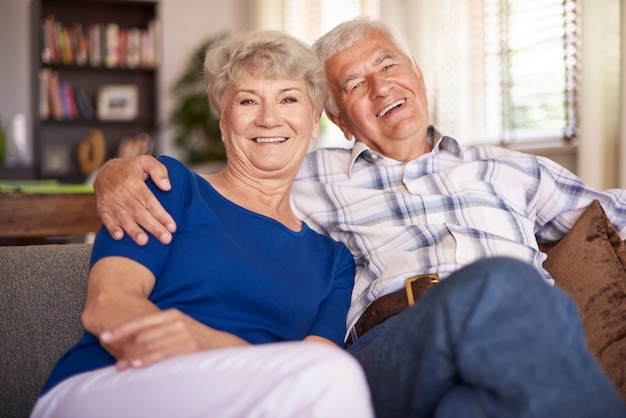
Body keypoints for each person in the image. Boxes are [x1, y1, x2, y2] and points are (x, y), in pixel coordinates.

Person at [92, 18, 626, 417]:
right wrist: (114, 172)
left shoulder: (510, 169)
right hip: (393, 346)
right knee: (504, 283)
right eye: (353, 84)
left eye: (388, 65)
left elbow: (615, 213)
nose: (380, 86)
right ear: (339, 121)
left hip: (519, 339)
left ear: (416, 74)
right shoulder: (301, 171)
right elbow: (217, 188)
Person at [31, 30, 375, 418]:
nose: (268, 118)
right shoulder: (168, 186)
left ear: (314, 120)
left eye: (289, 99)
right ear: (223, 121)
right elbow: (108, 307)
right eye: (248, 100)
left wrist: (211, 345)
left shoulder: (334, 261)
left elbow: (314, 371)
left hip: (248, 400)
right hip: (112, 381)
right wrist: (196, 351)